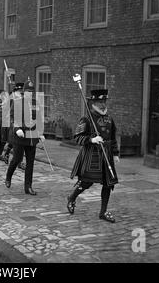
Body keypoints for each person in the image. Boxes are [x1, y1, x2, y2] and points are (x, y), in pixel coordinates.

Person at [67, 89, 120, 223]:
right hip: (92, 156)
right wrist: (91, 140)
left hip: (106, 154)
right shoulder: (86, 119)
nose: (102, 105)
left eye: (104, 101)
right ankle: (72, 198)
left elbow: (113, 138)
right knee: (86, 182)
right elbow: (77, 137)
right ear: (92, 103)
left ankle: (103, 212)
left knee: (108, 184)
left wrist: (115, 153)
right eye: (99, 102)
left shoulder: (109, 119)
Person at [5, 78, 45, 195]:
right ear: (23, 92)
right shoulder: (17, 103)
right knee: (17, 159)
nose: (29, 93)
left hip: (32, 137)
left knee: (30, 163)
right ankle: (8, 176)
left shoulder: (36, 103)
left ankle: (28, 187)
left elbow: (39, 119)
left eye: (31, 91)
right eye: (27, 91)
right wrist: (17, 129)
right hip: (20, 136)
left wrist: (41, 133)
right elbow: (12, 118)